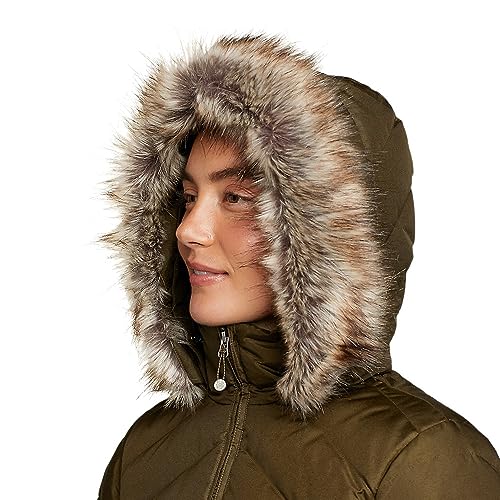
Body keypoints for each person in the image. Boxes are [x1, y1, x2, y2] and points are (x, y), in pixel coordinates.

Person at [98, 35, 500, 499]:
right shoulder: (142, 452)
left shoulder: (420, 458)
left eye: (237, 198)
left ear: (328, 234)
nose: (189, 230)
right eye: (188, 197)